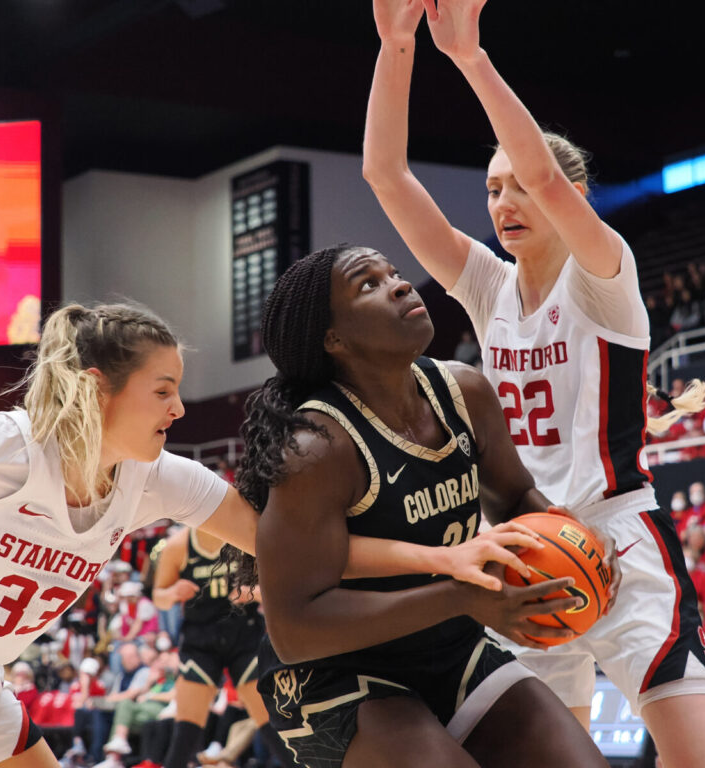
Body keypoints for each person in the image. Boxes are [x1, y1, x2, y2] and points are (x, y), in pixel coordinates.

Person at [0, 301, 518, 768]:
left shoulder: (156, 478)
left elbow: (295, 553)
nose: (180, 407)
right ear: (101, 390)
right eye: (162, 390)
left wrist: (446, 557)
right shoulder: (1, 449)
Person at [361, 2, 705, 765]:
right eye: (493, 190)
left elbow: (541, 168)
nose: (504, 203)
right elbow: (385, 176)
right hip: (527, 552)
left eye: (521, 189)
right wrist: (397, 48)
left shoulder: (605, 277)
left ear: (573, 194)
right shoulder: (488, 287)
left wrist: (468, 56)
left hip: (621, 542)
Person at [234, 246, 609, 768]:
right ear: (333, 339)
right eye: (367, 285)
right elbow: (296, 629)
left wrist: (572, 544)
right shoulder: (317, 448)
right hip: (334, 672)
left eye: (395, 273)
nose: (401, 285)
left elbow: (516, 499)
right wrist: (460, 596)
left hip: (450, 646)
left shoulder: (465, 391)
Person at [151, 527, 288, 768]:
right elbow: (159, 597)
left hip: (244, 637)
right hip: (199, 641)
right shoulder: (178, 545)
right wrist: (173, 592)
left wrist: (254, 592)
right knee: (185, 731)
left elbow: (279, 588)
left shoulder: (245, 533)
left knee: (271, 722)